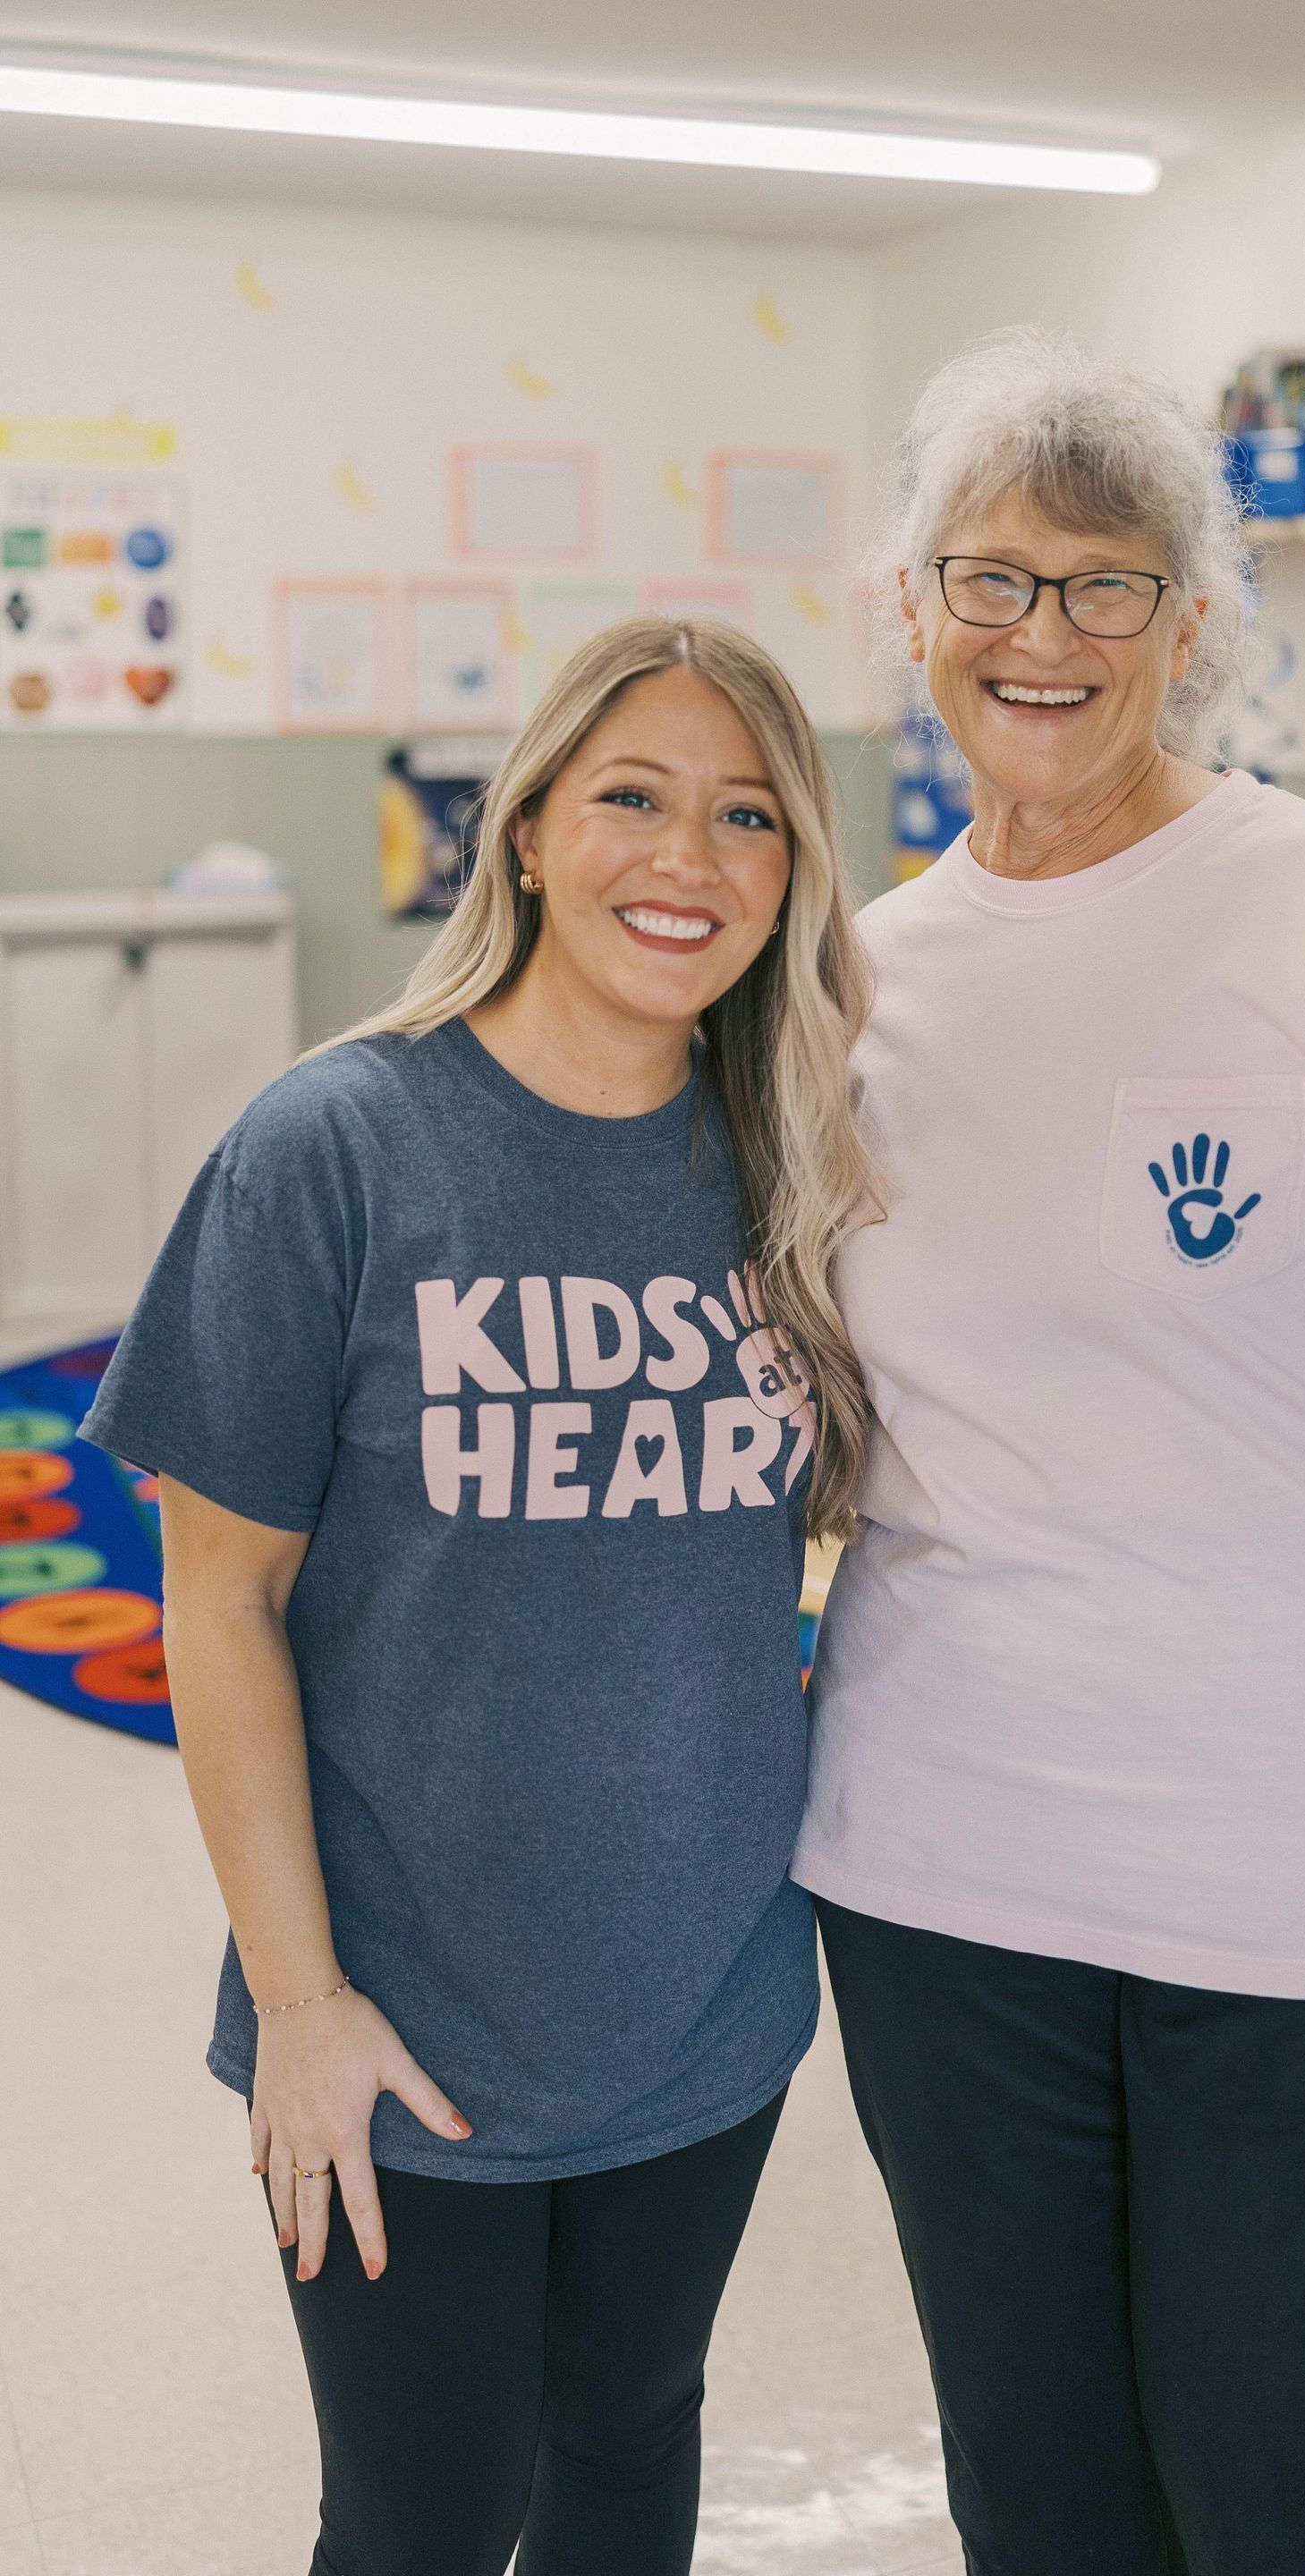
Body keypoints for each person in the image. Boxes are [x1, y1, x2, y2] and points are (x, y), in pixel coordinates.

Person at [792, 330, 1305, 2576]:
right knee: (1048, 2514)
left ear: (1193, 629)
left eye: (1107, 585)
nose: (1043, 636)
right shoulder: (857, 984)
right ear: (914, 614)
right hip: (947, 1890)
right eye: (994, 580)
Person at [82, 617, 880, 2576]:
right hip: (398, 2022)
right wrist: (299, 2004)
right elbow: (219, 1607)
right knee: (428, 2518)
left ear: (793, 876)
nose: (686, 861)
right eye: (631, 797)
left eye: (747, 818)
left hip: (704, 2007)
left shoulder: (795, 1163)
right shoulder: (332, 1150)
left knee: (628, 2459)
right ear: (524, 829)